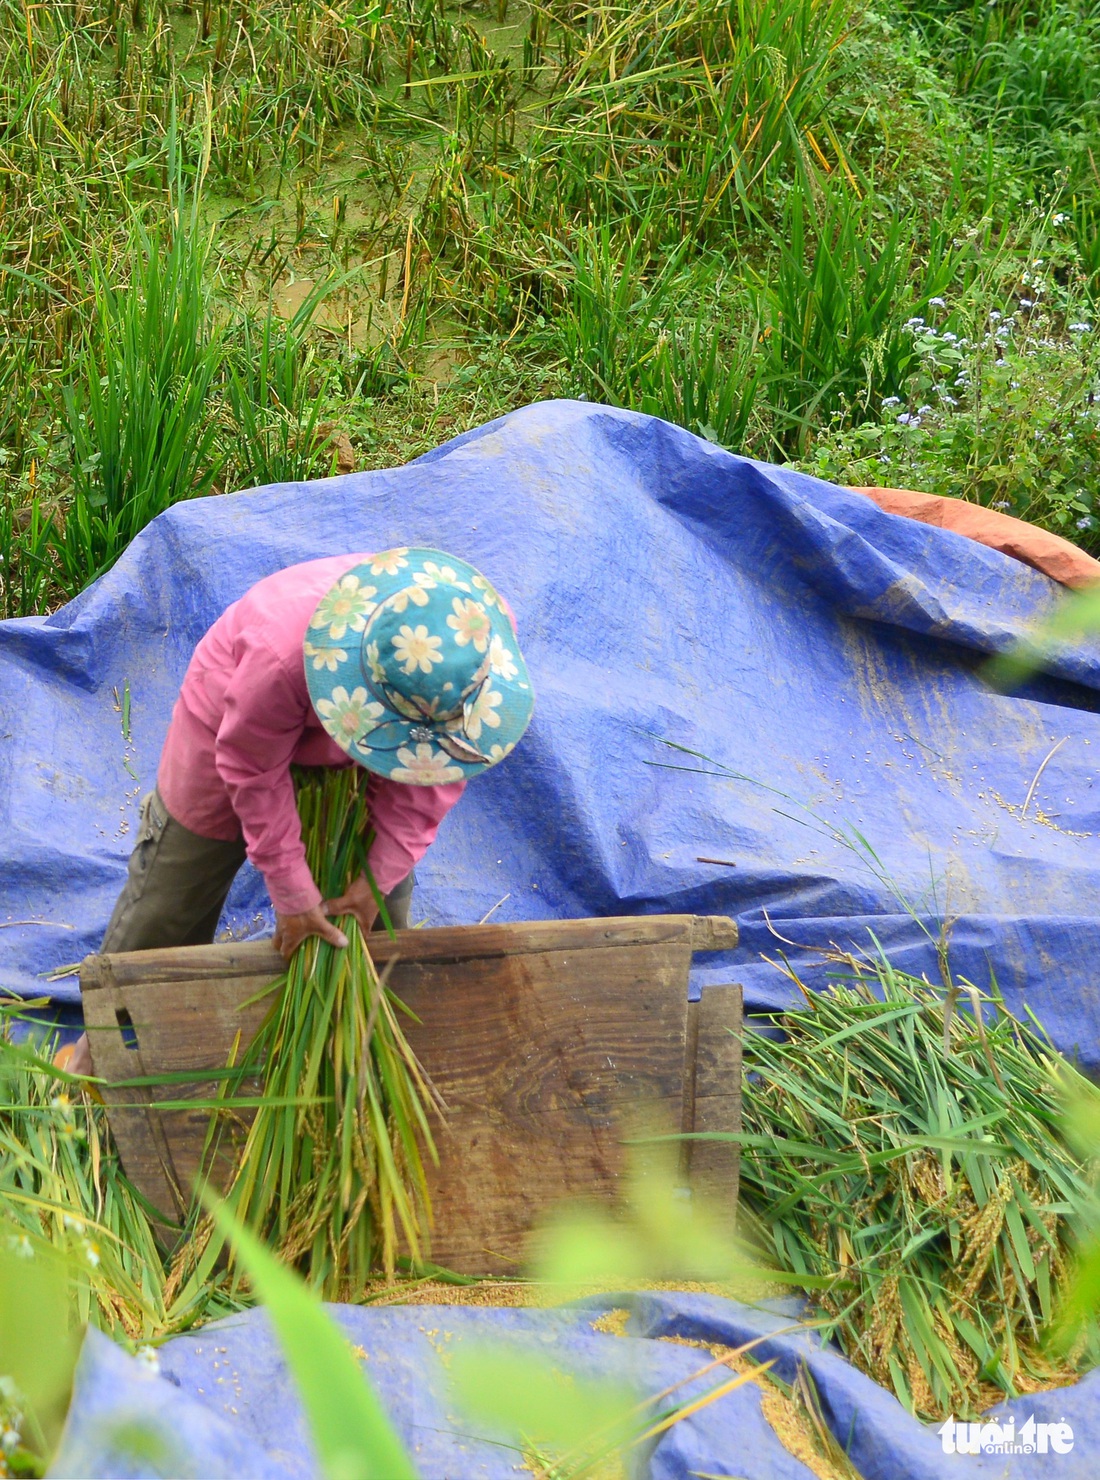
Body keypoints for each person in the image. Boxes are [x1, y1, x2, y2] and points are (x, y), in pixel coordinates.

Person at [61, 546, 534, 1075]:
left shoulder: (476, 645)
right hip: (235, 727)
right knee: (170, 902)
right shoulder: (279, 652)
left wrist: (374, 881)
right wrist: (291, 892)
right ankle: (92, 1061)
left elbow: (439, 770)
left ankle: (355, 1060)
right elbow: (251, 769)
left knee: (378, 919)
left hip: (376, 748)